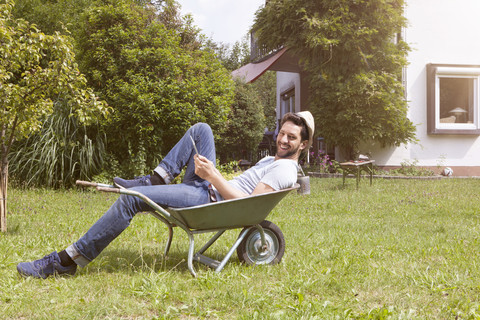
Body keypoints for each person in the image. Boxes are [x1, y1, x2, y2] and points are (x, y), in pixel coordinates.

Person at [17, 111, 314, 279]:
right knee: (201, 130)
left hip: (212, 202)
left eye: (292, 137)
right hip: (208, 189)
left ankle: (67, 260)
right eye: (282, 133)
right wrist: (211, 175)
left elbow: (248, 206)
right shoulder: (272, 160)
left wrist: (213, 176)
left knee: (132, 197)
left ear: (303, 144)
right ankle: (155, 178)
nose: (283, 139)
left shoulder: (285, 171)